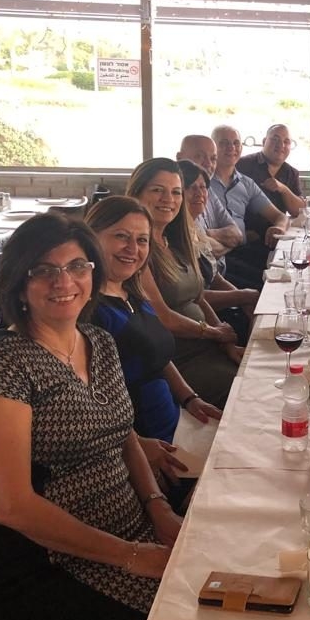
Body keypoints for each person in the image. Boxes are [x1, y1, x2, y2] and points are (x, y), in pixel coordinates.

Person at [0, 213, 180, 620]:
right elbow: (12, 507)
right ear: (19, 284)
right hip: (43, 564)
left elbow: (123, 433)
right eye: (44, 271)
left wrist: (157, 506)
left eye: (77, 266)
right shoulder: (6, 368)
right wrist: (130, 556)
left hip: (129, 528)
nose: (64, 282)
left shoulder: (98, 341)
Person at [85, 196, 221, 507]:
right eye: (121, 236)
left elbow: (157, 355)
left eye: (142, 240)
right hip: (143, 446)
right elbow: (89, 403)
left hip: (177, 428)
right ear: (92, 237)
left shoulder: (132, 292)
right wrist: (139, 446)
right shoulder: (90, 311)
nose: (132, 248)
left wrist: (190, 398)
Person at [127, 158, 242, 410]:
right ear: (136, 193)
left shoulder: (176, 239)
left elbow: (199, 297)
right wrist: (214, 333)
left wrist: (227, 345)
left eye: (176, 192)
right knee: (250, 394)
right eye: (157, 190)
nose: (168, 199)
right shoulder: (135, 251)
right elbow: (163, 317)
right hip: (181, 362)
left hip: (210, 347)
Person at [178, 159, 256, 340]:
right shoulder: (175, 237)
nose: (199, 193)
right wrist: (241, 297)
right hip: (194, 324)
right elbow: (192, 297)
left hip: (210, 313)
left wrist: (244, 299)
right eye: (190, 187)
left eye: (203, 187)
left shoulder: (195, 228)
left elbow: (214, 277)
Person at [209, 125, 289, 289]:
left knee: (286, 273)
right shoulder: (202, 185)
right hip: (216, 256)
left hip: (243, 250)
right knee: (266, 286)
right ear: (213, 147)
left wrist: (279, 227)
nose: (231, 148)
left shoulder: (246, 183)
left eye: (236, 143)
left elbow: (280, 216)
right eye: (224, 143)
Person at [177, 134, 242, 261]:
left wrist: (205, 234)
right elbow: (205, 250)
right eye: (199, 156)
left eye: (213, 159)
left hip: (220, 267)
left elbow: (237, 235)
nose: (208, 164)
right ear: (179, 158)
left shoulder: (207, 190)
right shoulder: (176, 194)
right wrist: (226, 245)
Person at [236, 123, 304, 221]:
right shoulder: (242, 165)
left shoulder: (292, 173)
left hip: (279, 227)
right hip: (245, 229)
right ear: (264, 142)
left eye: (286, 141)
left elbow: (299, 211)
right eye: (275, 139)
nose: (281, 145)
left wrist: (284, 189)